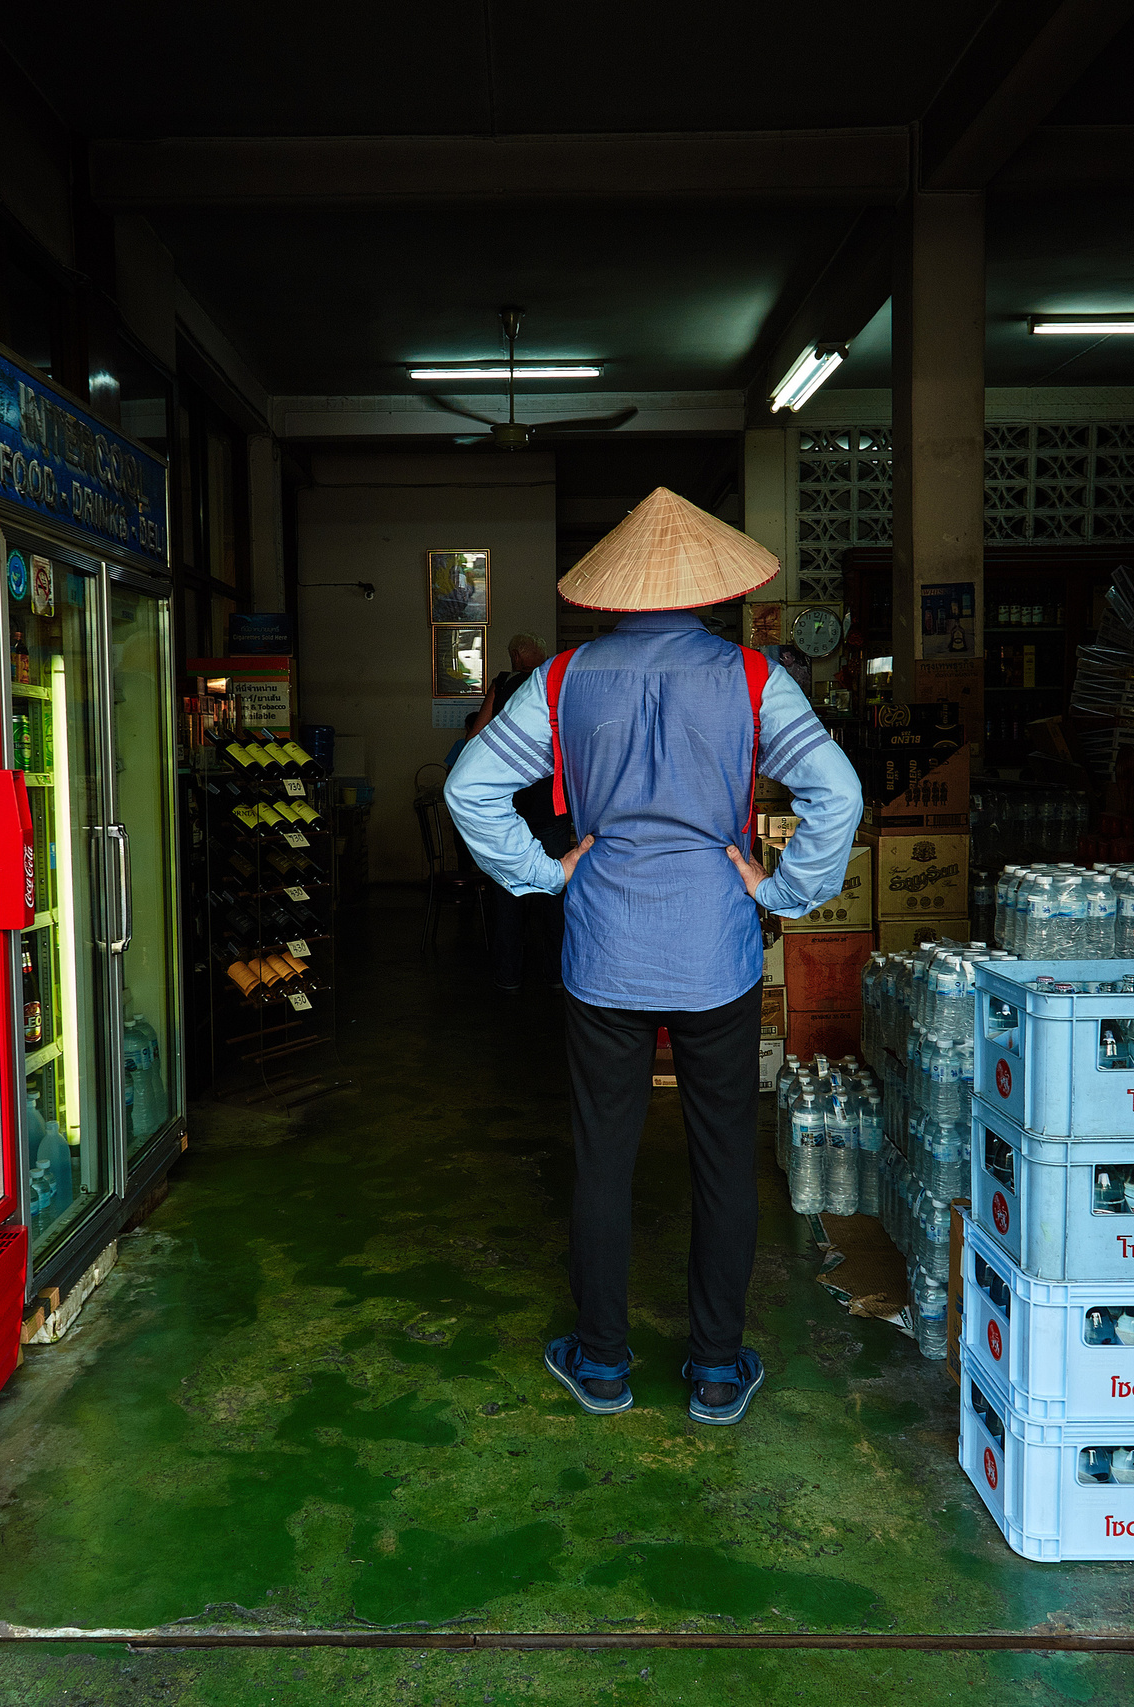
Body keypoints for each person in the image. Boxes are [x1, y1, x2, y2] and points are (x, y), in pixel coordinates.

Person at [446, 489, 863, 1426]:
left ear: (616, 594)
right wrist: (781, 890)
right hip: (716, 949)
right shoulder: (756, 678)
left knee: (602, 1159)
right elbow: (836, 793)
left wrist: (543, 871)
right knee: (724, 1160)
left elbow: (470, 786)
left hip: (603, 953)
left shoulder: (562, 678)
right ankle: (717, 1370)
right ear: (709, 591)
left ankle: (601, 1364)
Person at [472, 632, 564, 992]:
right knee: (554, 892)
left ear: (514, 657)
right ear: (538, 657)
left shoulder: (503, 684)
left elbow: (475, 739)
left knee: (508, 893)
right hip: (550, 806)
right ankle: (556, 976)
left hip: (509, 807)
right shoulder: (554, 686)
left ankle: (508, 976)